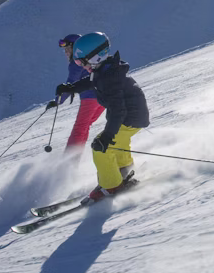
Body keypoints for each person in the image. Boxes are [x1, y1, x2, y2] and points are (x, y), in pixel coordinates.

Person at [53, 32, 150, 203]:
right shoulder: (104, 70)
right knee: (118, 144)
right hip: (133, 115)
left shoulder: (109, 78)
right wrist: (70, 88)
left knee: (101, 148)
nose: (80, 66)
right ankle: (124, 172)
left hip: (129, 117)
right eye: (77, 62)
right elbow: (90, 82)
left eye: (81, 62)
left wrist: (107, 136)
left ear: (95, 58)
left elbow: (117, 111)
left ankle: (112, 186)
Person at [52, 34, 106, 154]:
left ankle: (69, 162)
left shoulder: (76, 63)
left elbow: (71, 83)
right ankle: (75, 157)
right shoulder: (90, 58)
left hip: (90, 98)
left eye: (68, 49)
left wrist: (57, 101)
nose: (66, 52)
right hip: (103, 96)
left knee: (79, 128)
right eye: (65, 50)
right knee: (84, 126)